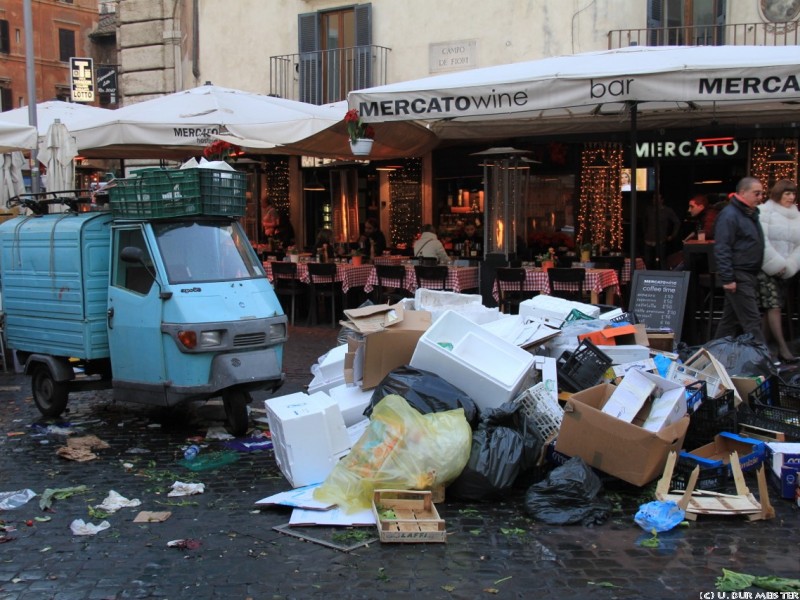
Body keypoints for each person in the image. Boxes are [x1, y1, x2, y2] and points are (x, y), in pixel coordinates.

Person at [713, 176, 767, 344]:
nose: (760, 198)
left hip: (746, 272)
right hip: (739, 273)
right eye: (756, 193)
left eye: (761, 194)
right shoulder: (730, 215)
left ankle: (713, 356)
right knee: (752, 320)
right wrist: (728, 277)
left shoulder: (748, 213)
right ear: (743, 193)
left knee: (729, 321)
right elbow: (722, 247)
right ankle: (763, 358)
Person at [757, 179, 800, 363]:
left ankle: (763, 350)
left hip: (786, 269)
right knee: (773, 307)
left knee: (770, 310)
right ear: (778, 194)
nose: (791, 197)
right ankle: (783, 348)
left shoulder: (795, 214)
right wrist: (775, 264)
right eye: (787, 193)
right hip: (766, 268)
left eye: (793, 194)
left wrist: (789, 264)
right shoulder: (765, 211)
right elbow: (762, 241)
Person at [643, 194, 681, 268]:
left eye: (657, 199)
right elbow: (644, 222)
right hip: (648, 240)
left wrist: (673, 235)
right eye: (654, 199)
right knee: (647, 261)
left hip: (661, 240)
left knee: (662, 261)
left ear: (662, 200)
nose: (655, 201)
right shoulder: (648, 210)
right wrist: (645, 233)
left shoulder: (667, 211)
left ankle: (663, 276)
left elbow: (677, 222)